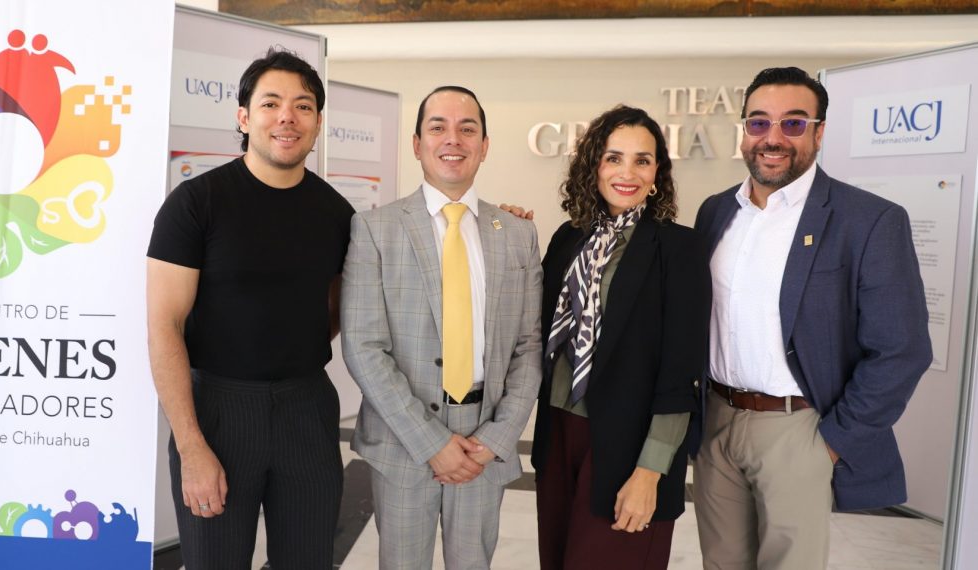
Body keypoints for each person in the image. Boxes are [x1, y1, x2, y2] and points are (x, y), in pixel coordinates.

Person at [692, 66, 933, 569]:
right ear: (744, 131)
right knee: (721, 562)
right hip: (717, 419)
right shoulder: (715, 212)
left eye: (793, 123)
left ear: (819, 133)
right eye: (759, 122)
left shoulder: (868, 220)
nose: (773, 138)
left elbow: (901, 350)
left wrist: (831, 444)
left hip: (798, 429)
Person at [146, 48, 353, 569]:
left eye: (303, 106)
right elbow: (164, 325)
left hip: (306, 410)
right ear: (244, 117)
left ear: (318, 123)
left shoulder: (336, 213)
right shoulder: (196, 203)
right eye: (271, 103)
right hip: (217, 411)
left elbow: (336, 309)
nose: (288, 117)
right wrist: (191, 446)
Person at [340, 86, 542, 569]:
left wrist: (496, 440)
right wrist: (431, 443)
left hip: (483, 441)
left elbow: (529, 347)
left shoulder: (517, 233)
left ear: (484, 146)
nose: (453, 139)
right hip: (403, 441)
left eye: (467, 128)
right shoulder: (375, 229)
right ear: (417, 144)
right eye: (438, 127)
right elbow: (363, 347)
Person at [530, 105, 710, 569]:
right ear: (594, 166)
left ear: (657, 174)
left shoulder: (679, 248)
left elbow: (681, 371)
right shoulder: (568, 239)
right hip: (559, 433)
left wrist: (650, 471)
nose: (627, 173)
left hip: (630, 444)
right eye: (613, 158)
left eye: (642, 160)